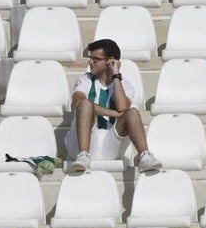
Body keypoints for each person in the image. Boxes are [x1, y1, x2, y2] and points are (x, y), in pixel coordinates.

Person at [66, 39, 161, 174]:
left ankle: (145, 156)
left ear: (109, 61)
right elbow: (79, 101)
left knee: (132, 112)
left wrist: (116, 74)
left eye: (95, 59)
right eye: (90, 58)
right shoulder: (85, 80)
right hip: (83, 144)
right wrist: (114, 113)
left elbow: (123, 108)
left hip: (110, 145)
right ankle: (83, 155)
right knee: (85, 104)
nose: (90, 62)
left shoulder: (125, 86)